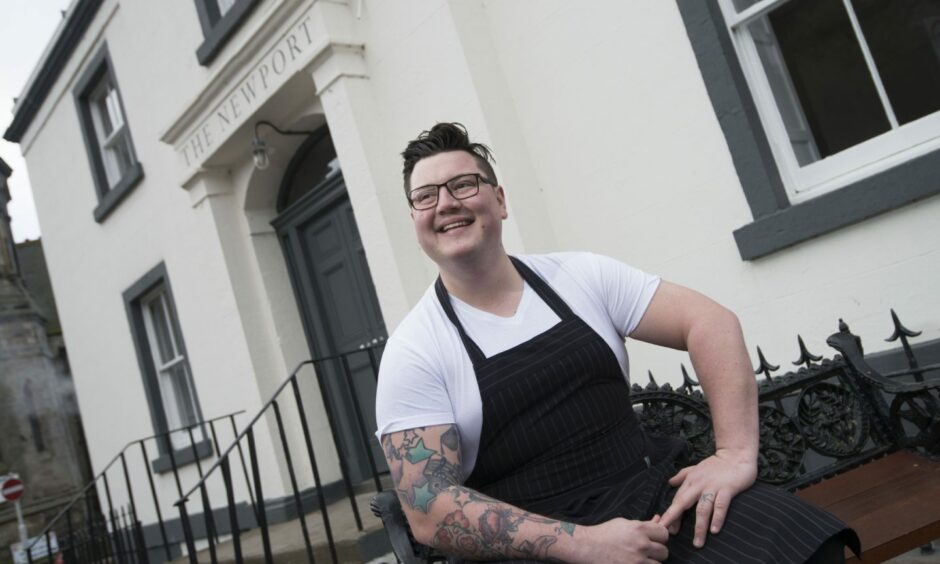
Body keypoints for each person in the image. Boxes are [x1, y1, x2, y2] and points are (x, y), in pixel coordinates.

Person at [375, 123, 858, 563]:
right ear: (416, 220)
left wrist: (734, 455)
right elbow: (429, 509)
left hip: (652, 499)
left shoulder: (580, 276)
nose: (446, 203)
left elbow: (710, 321)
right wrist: (582, 543)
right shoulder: (415, 350)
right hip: (532, 549)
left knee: (809, 549)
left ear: (499, 200)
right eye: (426, 196)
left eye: (463, 185)